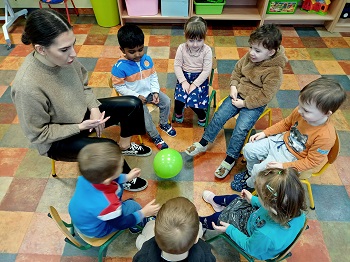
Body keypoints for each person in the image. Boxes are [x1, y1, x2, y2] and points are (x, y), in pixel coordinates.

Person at [10, 9, 151, 191]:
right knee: (107, 147)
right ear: (40, 49)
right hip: (57, 141)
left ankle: (125, 146)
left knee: (133, 104)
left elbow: (84, 85)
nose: (74, 54)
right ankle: (123, 179)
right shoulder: (26, 87)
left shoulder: (66, 60)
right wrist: (79, 127)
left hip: (82, 116)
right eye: (64, 49)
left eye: (73, 45)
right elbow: (38, 135)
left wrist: (93, 107)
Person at [185, 24, 287, 179]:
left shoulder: (275, 71)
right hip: (238, 94)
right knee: (219, 116)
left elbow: (265, 96)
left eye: (257, 51)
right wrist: (233, 86)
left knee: (240, 129)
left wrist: (244, 104)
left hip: (254, 103)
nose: (252, 53)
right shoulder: (250, 57)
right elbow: (237, 71)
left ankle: (230, 158)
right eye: (251, 47)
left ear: (271, 52)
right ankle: (204, 142)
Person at [231, 77, 347, 191]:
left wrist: (284, 166)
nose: (299, 111)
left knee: (260, 170)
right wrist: (265, 133)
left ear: (327, 113)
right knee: (248, 149)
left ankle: (251, 183)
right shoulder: (300, 111)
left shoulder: (326, 137)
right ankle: (252, 175)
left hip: (293, 159)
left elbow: (311, 162)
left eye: (306, 110)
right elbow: (286, 124)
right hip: (281, 141)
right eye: (300, 105)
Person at [200, 168, 307, 260]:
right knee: (234, 199)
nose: (257, 196)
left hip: (252, 236)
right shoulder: (295, 211)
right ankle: (214, 200)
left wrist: (230, 230)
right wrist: (253, 199)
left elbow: (249, 247)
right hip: (257, 221)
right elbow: (268, 207)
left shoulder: (265, 235)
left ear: (270, 207)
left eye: (259, 196)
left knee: (218, 218)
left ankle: (200, 223)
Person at [68, 142, 160, 238]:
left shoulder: (87, 177)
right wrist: (144, 212)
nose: (122, 167)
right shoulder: (108, 204)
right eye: (120, 167)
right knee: (133, 206)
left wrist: (127, 177)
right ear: (108, 179)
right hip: (97, 230)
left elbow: (111, 178)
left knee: (120, 193)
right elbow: (121, 224)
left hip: (82, 217)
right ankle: (137, 227)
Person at [111, 24, 176, 150]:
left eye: (140, 49)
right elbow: (119, 87)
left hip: (149, 92)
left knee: (166, 102)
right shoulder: (119, 68)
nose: (137, 55)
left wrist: (155, 92)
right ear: (122, 50)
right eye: (132, 52)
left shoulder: (147, 60)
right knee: (146, 118)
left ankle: (163, 124)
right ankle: (155, 136)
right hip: (134, 99)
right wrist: (136, 96)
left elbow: (153, 76)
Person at [133, 197, 216, 262]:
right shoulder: (206, 255)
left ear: (156, 234)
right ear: (196, 239)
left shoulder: (143, 256)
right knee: (199, 226)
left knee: (148, 226)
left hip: (150, 249)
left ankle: (151, 224)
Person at [173, 16, 213, 127]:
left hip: (200, 80)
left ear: (205, 35)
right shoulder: (181, 48)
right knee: (179, 99)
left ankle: (202, 116)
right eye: (191, 40)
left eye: (199, 40)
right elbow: (177, 66)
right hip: (184, 78)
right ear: (185, 34)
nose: (195, 44)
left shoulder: (207, 50)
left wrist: (195, 84)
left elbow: (206, 71)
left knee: (193, 102)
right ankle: (178, 113)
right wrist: (183, 81)